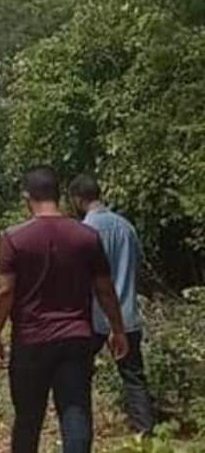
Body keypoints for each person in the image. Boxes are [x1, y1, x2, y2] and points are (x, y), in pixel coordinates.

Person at [0, 166, 128, 453]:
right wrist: (118, 329)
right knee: (76, 413)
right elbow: (104, 289)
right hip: (77, 339)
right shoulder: (85, 237)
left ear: (27, 198)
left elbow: (5, 292)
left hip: (32, 342)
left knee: (28, 418)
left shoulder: (14, 238)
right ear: (60, 195)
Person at [68, 172, 156, 435]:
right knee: (134, 378)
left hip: (92, 317)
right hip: (127, 315)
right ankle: (145, 434)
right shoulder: (126, 227)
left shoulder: (83, 231)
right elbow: (138, 269)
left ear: (77, 199)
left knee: (78, 373)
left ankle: (81, 427)